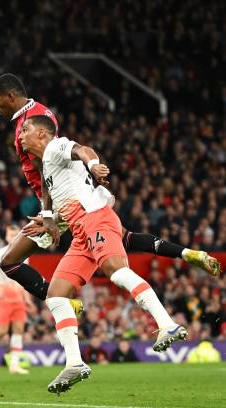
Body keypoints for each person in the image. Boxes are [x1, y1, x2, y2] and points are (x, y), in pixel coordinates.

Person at [0, 73, 221, 303]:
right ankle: (186, 253)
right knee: (124, 237)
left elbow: (48, 167)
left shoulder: (32, 121)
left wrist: (49, 215)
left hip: (64, 201)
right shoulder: (33, 114)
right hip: (68, 198)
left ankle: (64, 301)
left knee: (9, 262)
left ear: (11, 97)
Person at [20, 114, 188, 394]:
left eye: (25, 129)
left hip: (96, 218)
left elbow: (83, 150)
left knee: (116, 271)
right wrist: (48, 217)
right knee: (56, 295)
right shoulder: (45, 163)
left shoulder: (55, 146)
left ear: (41, 134)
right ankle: (74, 362)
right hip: (79, 233)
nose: (20, 134)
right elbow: (48, 189)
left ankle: (167, 324)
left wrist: (95, 166)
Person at [0, 224, 35, 375]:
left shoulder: (24, 255)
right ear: (6, 236)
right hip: (4, 296)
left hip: (18, 297)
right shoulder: (0, 254)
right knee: (2, 331)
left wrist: (27, 299)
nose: (13, 237)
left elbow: (23, 280)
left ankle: (14, 365)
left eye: (16, 234)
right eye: (10, 234)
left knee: (19, 329)